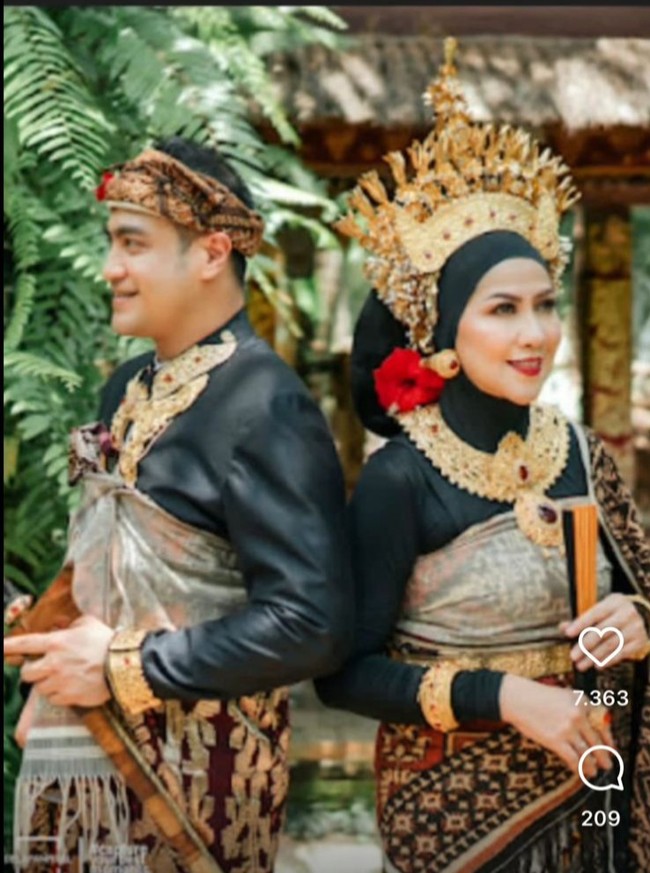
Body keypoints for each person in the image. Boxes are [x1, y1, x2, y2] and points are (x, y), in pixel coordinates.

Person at [315, 40, 650, 873]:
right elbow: (343, 673)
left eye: (543, 304)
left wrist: (641, 622)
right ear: (442, 335)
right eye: (502, 309)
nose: (535, 333)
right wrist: (504, 696)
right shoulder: (402, 476)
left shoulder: (577, 449)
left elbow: (642, 598)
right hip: (452, 820)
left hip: (594, 802)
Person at [4, 136, 352, 872]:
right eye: (111, 243)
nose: (110, 269)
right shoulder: (127, 388)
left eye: (133, 243)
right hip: (86, 756)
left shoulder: (269, 404)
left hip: (196, 789)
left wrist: (125, 665)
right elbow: (103, 557)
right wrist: (54, 666)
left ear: (211, 252)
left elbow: (312, 623)